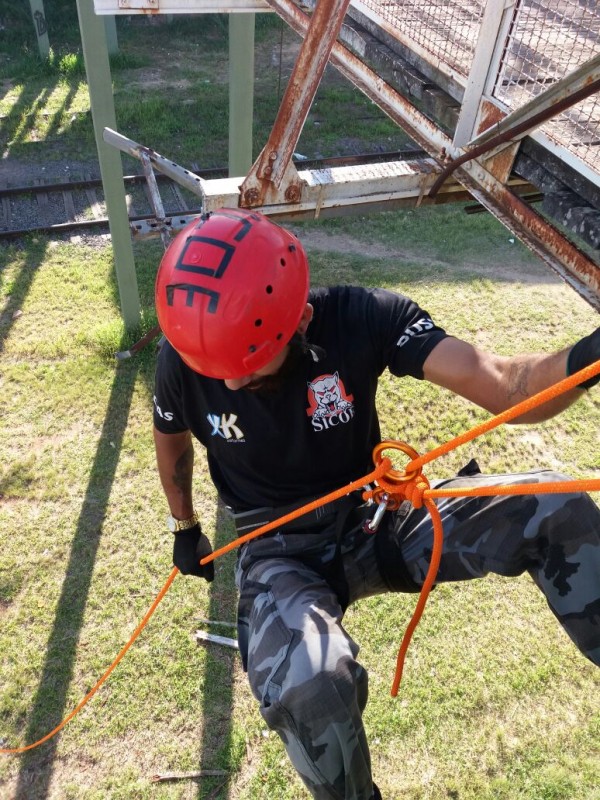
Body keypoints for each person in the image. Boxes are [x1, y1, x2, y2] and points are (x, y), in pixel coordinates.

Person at [152, 207, 600, 800]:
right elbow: (173, 439)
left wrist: (594, 354)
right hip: (278, 551)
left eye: (246, 365)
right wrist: (183, 524)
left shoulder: (363, 317)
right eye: (215, 369)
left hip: (379, 518)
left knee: (556, 506)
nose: (229, 383)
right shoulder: (186, 357)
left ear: (301, 318)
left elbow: (503, 382)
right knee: (312, 683)